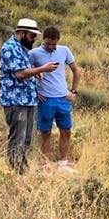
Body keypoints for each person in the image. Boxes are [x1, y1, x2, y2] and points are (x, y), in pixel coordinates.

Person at [0, 18, 58, 173]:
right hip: (15, 100)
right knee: (18, 138)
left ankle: (22, 170)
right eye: (32, 36)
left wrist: (35, 72)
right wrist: (42, 69)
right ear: (22, 33)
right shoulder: (10, 48)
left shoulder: (22, 48)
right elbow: (20, 73)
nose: (34, 39)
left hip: (27, 99)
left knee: (26, 139)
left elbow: (25, 69)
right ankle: (16, 171)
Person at [29, 26, 82, 174]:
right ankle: (45, 166)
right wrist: (34, 92)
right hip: (45, 100)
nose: (51, 47)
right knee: (45, 133)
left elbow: (76, 71)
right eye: (48, 44)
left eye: (54, 44)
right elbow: (25, 73)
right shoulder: (34, 53)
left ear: (58, 41)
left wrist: (73, 91)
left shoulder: (64, 50)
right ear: (43, 39)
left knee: (66, 131)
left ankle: (63, 164)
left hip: (63, 98)